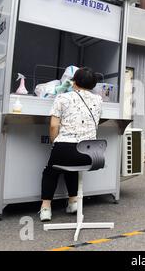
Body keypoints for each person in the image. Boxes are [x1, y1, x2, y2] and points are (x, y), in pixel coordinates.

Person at [39, 67, 102, 222]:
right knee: (73, 167)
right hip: (92, 155)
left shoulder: (62, 98)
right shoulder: (99, 100)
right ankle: (73, 202)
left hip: (66, 148)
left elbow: (54, 126)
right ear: (93, 85)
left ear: (74, 82)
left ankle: (46, 208)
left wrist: (55, 142)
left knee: (51, 171)